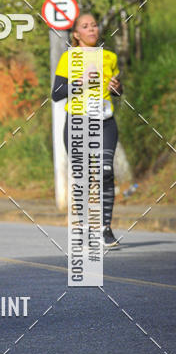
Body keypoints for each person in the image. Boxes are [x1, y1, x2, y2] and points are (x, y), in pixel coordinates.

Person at [52, 13, 122, 246]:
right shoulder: (68, 59)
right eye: (85, 26)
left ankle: (105, 228)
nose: (92, 29)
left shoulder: (110, 57)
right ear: (76, 34)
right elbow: (56, 94)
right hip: (77, 122)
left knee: (106, 170)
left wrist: (117, 87)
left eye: (94, 25)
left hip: (105, 121)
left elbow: (118, 92)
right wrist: (79, 82)